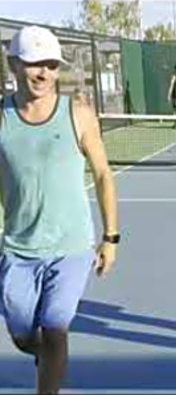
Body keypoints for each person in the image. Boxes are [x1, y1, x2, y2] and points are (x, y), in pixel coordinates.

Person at [0, 26, 119, 394]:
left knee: (56, 329)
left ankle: (50, 369)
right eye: (35, 64)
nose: (43, 73)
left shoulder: (78, 114)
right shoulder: (2, 120)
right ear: (14, 64)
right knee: (22, 334)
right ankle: (45, 354)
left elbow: (102, 174)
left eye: (51, 65)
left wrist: (110, 238)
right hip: (18, 250)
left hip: (71, 248)